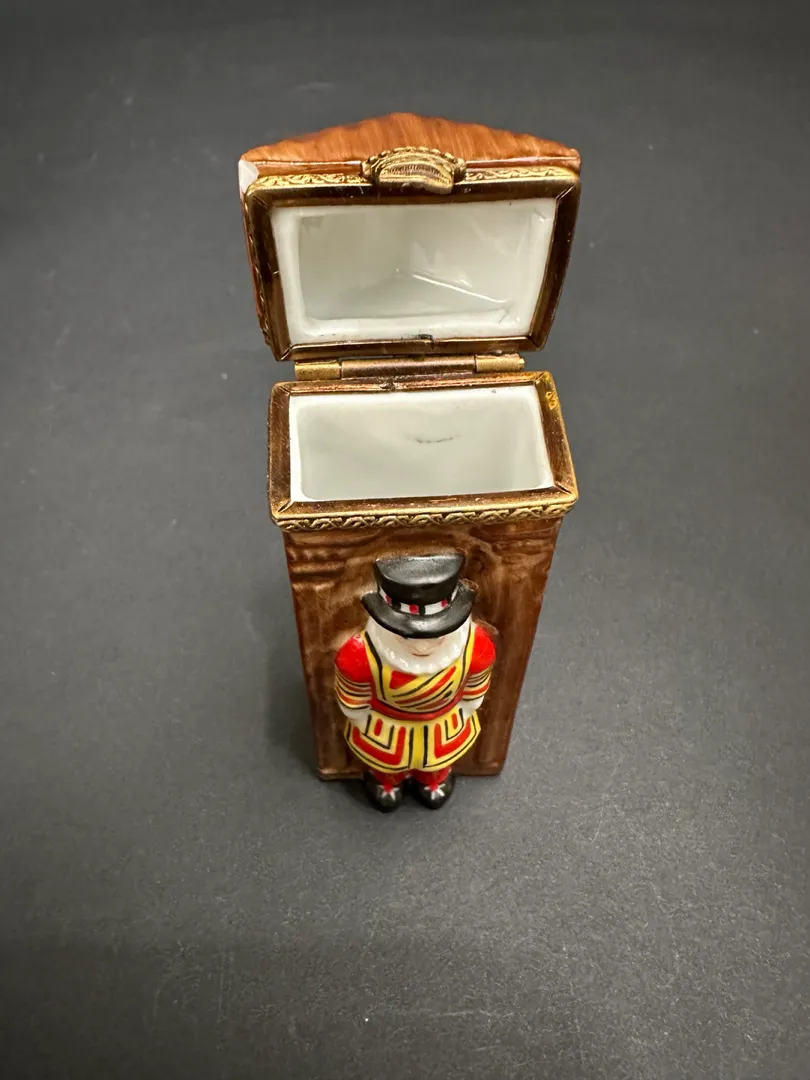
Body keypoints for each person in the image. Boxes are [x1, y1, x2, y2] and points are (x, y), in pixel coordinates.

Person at [335, 553, 496, 812]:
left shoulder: (473, 644)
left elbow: (476, 681)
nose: (423, 646)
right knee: (385, 763)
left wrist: (469, 706)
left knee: (438, 762)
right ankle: (387, 782)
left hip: (444, 723)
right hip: (386, 727)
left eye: (437, 635)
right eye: (407, 636)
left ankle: (433, 781)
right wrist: (358, 717)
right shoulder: (361, 653)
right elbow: (353, 693)